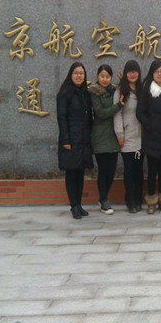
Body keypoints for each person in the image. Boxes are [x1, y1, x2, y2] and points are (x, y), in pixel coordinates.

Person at [56, 62, 93, 220]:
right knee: (71, 173)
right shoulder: (65, 94)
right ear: (70, 75)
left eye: (81, 73)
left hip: (83, 140)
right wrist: (66, 139)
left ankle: (79, 204)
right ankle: (74, 206)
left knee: (80, 173)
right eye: (76, 73)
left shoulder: (85, 93)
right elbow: (61, 118)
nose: (79, 76)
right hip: (70, 140)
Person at [137, 60, 161, 214]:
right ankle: (151, 200)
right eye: (157, 71)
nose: (159, 74)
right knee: (152, 171)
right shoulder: (147, 89)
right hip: (151, 137)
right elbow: (139, 113)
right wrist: (150, 126)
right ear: (152, 73)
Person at [88, 64, 123, 215]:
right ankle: (103, 200)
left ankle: (103, 197)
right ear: (98, 77)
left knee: (111, 171)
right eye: (102, 76)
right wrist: (118, 106)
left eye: (107, 76)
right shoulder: (94, 92)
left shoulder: (114, 90)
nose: (104, 79)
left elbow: (125, 93)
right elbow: (100, 113)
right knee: (103, 170)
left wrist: (123, 83)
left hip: (113, 136)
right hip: (100, 137)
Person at [114, 60, 143, 213]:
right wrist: (120, 134)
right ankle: (130, 200)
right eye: (130, 71)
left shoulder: (142, 90)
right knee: (129, 170)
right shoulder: (120, 91)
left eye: (135, 71)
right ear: (125, 73)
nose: (133, 74)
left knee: (139, 170)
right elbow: (117, 114)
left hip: (141, 137)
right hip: (127, 136)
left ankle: (138, 199)